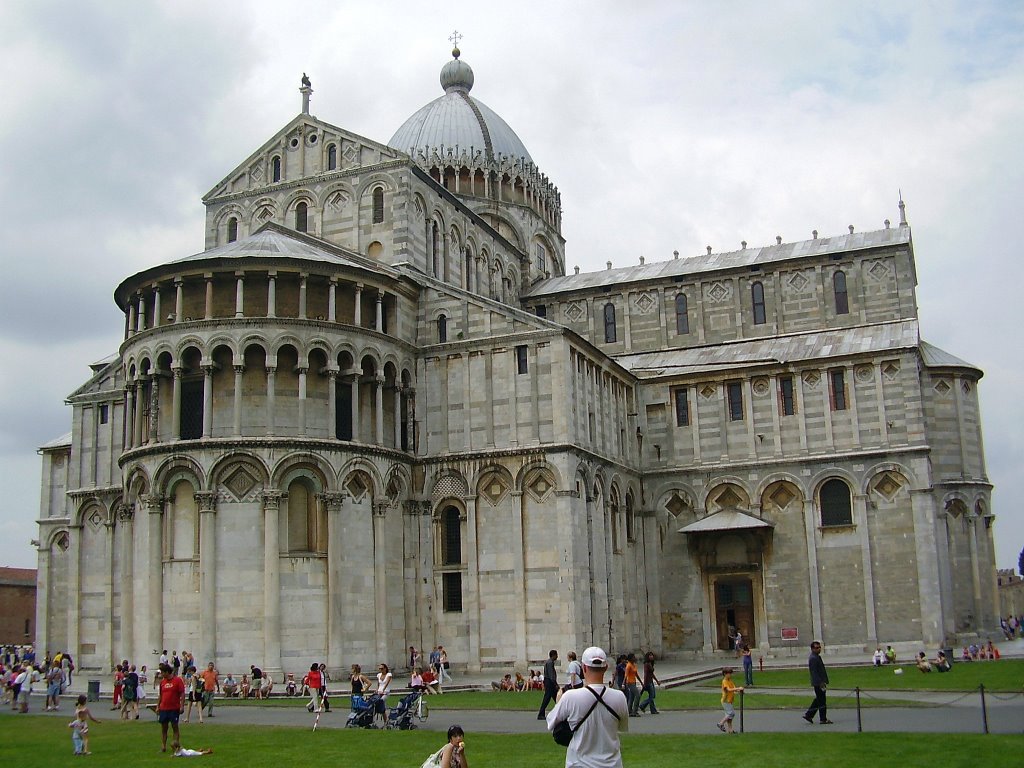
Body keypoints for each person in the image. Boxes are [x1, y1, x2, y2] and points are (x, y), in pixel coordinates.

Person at [546, 646, 628, 768]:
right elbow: (622, 727)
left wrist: (559, 701)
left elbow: (551, 723)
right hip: (611, 764)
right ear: (605, 667)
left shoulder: (570, 697)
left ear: (583, 668)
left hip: (580, 763)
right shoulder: (619, 697)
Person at [158, 663, 186, 753]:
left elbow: (182, 693)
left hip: (174, 708)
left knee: (175, 727)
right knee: (164, 728)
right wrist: (158, 706)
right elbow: (160, 695)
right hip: (163, 708)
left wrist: (182, 706)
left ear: (167, 672)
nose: (161, 674)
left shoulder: (177, 680)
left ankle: (176, 745)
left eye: (162, 672)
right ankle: (163, 746)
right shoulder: (162, 682)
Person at [802, 641, 833, 725]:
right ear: (812, 649)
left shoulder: (816, 657)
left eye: (819, 647)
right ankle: (823, 719)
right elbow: (814, 672)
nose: (819, 649)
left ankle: (809, 715)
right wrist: (820, 683)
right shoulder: (813, 658)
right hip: (818, 683)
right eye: (817, 648)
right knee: (822, 701)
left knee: (818, 699)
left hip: (820, 682)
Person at [716, 667, 743, 733]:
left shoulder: (730, 681)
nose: (730, 675)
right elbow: (728, 689)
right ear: (725, 674)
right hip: (725, 700)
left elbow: (733, 689)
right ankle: (721, 723)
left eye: (730, 674)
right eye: (729, 674)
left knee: (729, 716)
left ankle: (730, 730)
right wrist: (738, 688)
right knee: (731, 713)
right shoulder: (724, 681)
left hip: (729, 700)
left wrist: (739, 691)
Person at [537, 649, 559, 719]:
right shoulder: (550, 663)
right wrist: (555, 684)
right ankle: (541, 714)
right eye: (556, 655)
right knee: (547, 698)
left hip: (548, 681)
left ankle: (561, 712)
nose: (557, 656)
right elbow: (551, 674)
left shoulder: (549, 662)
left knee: (556, 698)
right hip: (550, 682)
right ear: (554, 655)